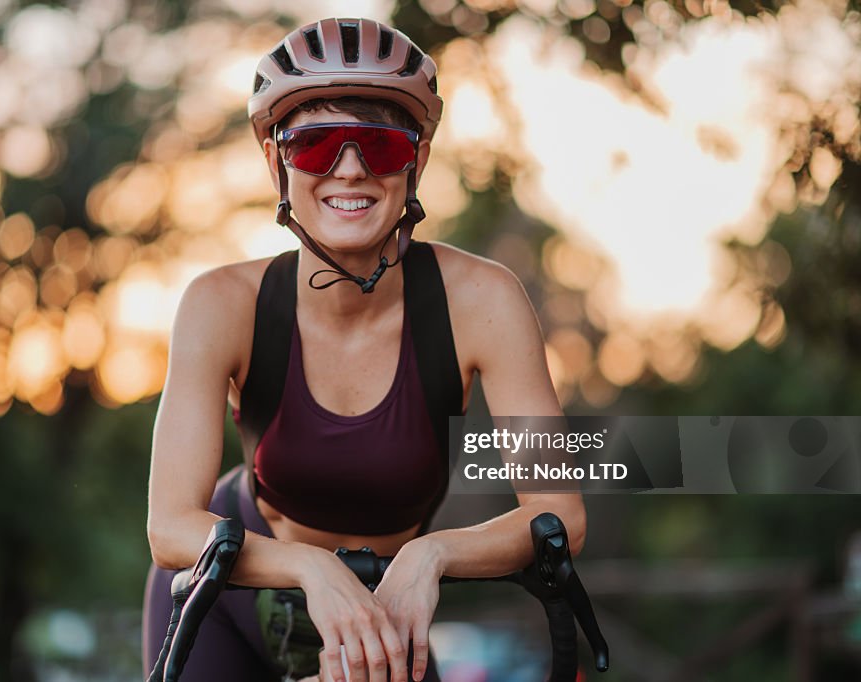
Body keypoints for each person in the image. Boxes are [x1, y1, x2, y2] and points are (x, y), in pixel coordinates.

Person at [142, 17, 585, 682]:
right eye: (316, 146)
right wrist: (310, 568)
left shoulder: (484, 300)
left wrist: (429, 556)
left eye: (378, 144)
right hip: (227, 600)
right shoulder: (220, 304)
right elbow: (172, 528)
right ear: (276, 163)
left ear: (417, 160)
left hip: (385, 618)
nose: (350, 169)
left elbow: (561, 512)